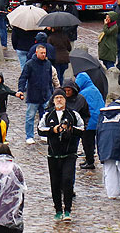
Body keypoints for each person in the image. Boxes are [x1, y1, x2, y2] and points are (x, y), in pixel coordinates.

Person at [38, 88, 84, 221]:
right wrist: (53, 130)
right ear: (53, 100)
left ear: (65, 100)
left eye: (61, 98)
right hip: (53, 155)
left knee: (67, 180)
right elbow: (40, 129)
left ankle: (68, 210)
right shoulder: (48, 115)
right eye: (57, 98)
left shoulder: (73, 114)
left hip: (69, 154)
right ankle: (58, 210)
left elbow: (82, 129)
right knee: (55, 183)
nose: (59, 100)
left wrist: (70, 129)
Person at [16, 44, 54, 145]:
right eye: (42, 53)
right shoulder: (30, 64)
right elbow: (23, 78)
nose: (43, 55)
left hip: (45, 95)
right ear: (36, 53)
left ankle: (43, 133)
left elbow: (50, 79)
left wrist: (51, 92)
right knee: (30, 116)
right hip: (33, 95)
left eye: (45, 53)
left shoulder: (48, 64)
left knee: (45, 116)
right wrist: (20, 89)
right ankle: (29, 136)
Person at [75, 72, 104, 170]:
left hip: (89, 121)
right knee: (92, 141)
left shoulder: (83, 93)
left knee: (87, 142)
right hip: (98, 120)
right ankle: (90, 159)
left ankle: (90, 162)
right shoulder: (95, 89)